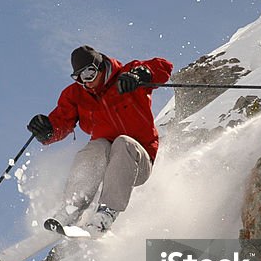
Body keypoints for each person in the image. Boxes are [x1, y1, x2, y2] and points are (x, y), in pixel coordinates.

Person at [27, 45, 173, 234]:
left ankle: (107, 212)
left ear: (101, 66)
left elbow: (164, 66)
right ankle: (72, 208)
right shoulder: (76, 95)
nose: (86, 81)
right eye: (80, 77)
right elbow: (61, 123)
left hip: (137, 162)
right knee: (96, 146)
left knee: (123, 142)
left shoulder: (127, 74)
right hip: (103, 164)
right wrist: (46, 130)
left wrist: (142, 74)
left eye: (89, 72)